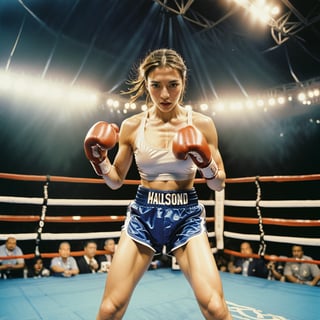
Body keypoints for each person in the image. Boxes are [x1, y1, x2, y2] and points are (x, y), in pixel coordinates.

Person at [84, 48, 231, 320]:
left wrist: (205, 162)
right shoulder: (132, 126)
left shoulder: (201, 124)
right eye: (156, 86)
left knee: (214, 307)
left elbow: (218, 183)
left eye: (173, 85)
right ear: (146, 85)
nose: (165, 94)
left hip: (185, 215)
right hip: (144, 214)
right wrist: (100, 161)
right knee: (109, 308)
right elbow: (116, 181)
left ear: (183, 83)